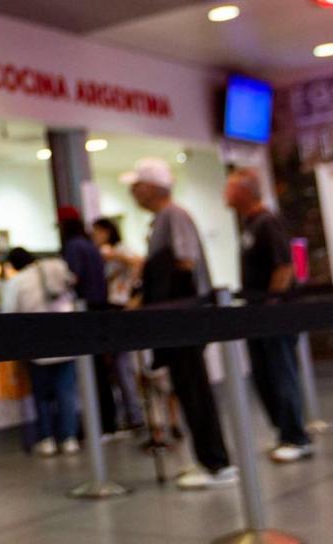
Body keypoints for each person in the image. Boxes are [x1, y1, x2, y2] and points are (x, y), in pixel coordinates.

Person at [125, 158, 238, 490]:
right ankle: (209, 460)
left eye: (137, 184)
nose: (132, 191)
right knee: (188, 390)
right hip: (175, 317)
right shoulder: (163, 218)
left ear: (151, 187)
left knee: (194, 389)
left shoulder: (173, 215)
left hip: (183, 317)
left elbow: (185, 262)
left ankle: (216, 463)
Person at [224, 168, 314, 463]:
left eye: (231, 187)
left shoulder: (267, 222)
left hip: (272, 314)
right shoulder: (249, 224)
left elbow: (284, 267)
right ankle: (283, 432)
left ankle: (295, 436)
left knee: (281, 372)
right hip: (256, 313)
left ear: (245, 191)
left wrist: (272, 305)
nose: (225, 193)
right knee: (265, 375)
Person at [1, 247, 80, 456]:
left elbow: (7, 315)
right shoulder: (55, 267)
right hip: (65, 339)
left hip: (37, 345)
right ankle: (69, 437)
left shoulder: (16, 283)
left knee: (42, 394)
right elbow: (73, 287)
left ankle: (47, 438)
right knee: (66, 392)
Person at [58, 206, 117, 437]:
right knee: (101, 371)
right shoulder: (90, 246)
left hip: (86, 311)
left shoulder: (73, 246)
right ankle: (108, 421)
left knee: (90, 371)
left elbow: (73, 277)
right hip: (101, 310)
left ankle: (98, 424)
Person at [92, 218, 145, 430]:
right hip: (110, 307)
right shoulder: (102, 253)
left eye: (97, 231)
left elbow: (139, 262)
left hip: (120, 306)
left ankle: (134, 414)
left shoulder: (117, 250)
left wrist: (116, 258)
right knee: (116, 368)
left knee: (123, 366)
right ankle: (127, 412)